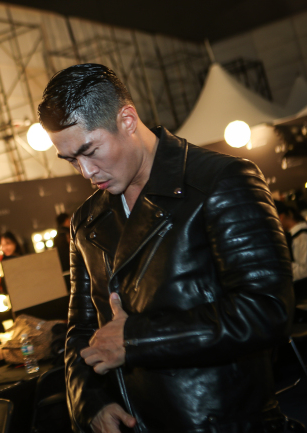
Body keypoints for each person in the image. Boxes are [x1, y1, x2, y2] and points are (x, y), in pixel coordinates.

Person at [38, 63, 294, 432]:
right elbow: (81, 328)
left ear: (127, 120)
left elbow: (267, 310)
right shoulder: (86, 221)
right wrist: (90, 401)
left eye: (90, 150)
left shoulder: (221, 181)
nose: (86, 171)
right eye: (71, 160)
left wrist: (137, 337)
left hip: (225, 420)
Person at [276, 201, 307, 298]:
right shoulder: (295, 235)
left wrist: (283, 267)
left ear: (280, 217)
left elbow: (305, 269)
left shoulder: (301, 235)